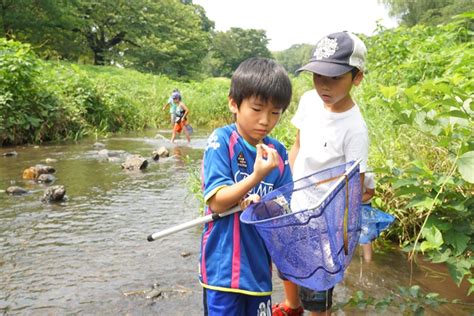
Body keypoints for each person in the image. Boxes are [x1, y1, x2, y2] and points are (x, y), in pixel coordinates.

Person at [273, 31, 369, 316]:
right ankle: (291, 306)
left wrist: (343, 237)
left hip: (324, 221)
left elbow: (355, 188)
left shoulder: (354, 128)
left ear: (357, 77)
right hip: (296, 206)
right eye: (318, 76)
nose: (324, 86)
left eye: (335, 78)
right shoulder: (308, 101)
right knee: (288, 264)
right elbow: (298, 144)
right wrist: (284, 187)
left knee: (318, 287)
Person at [199, 57, 293, 315]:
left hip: (259, 270)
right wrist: (255, 178)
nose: (265, 120)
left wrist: (265, 206)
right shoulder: (221, 141)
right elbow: (217, 201)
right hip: (223, 271)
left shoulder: (278, 152)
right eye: (257, 109)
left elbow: (285, 203)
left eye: (275, 113)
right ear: (234, 103)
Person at [359, 172, 395, 263]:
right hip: (345, 206)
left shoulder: (367, 176)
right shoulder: (340, 174)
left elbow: (370, 193)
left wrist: (355, 201)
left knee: (366, 235)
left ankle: (368, 262)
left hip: (364, 206)